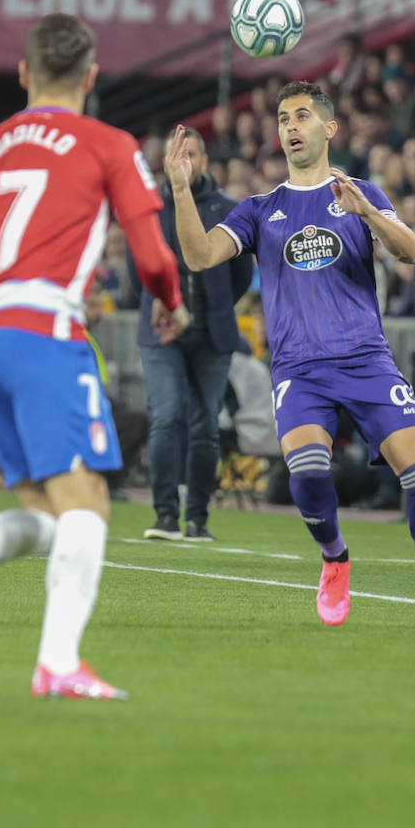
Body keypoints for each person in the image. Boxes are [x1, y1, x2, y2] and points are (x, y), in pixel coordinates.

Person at [0, 13, 190, 700]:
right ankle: (58, 663)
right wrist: (171, 299)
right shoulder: (109, 144)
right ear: (91, 77)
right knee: (89, 502)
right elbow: (151, 252)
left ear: (22, 73)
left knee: (47, 510)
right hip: (42, 330)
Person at [164, 80, 415, 632]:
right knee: (306, 476)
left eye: (302, 116)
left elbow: (413, 253)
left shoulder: (362, 192)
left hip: (366, 361)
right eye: (283, 118)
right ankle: (334, 559)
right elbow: (199, 255)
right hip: (300, 369)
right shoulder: (261, 209)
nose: (290, 127)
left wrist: (369, 215)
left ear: (328, 128)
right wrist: (182, 191)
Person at [135, 126, 253, 542]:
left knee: (206, 429)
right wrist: (162, 304)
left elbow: (241, 274)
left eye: (193, 155)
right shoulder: (147, 208)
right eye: (177, 155)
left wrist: (216, 307)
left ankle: (198, 519)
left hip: (212, 334)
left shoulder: (229, 208)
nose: (185, 162)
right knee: (166, 417)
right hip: (161, 334)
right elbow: (138, 272)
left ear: (205, 161)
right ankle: (166, 515)